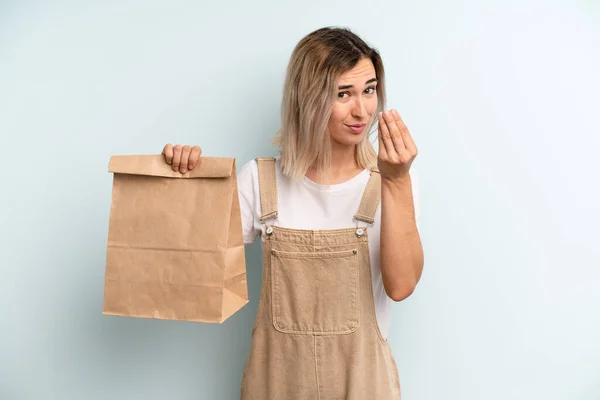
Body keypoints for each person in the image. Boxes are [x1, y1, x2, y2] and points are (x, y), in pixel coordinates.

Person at [161, 26, 423, 400]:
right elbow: (190, 270)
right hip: (277, 386)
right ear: (309, 99)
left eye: (369, 89)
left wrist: (397, 183)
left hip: (364, 386)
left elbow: (401, 286)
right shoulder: (260, 180)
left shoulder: (394, 181)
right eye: (342, 94)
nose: (362, 110)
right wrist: (183, 182)